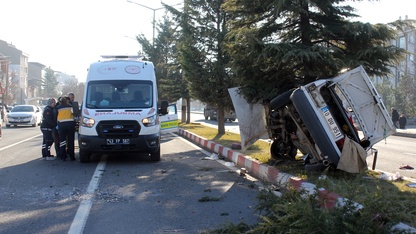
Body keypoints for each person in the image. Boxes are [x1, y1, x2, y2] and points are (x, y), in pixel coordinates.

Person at [56, 96, 76, 161]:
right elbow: (74, 114)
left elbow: (55, 116)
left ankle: (63, 156)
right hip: (70, 124)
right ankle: (72, 156)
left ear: (60, 102)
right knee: (71, 141)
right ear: (66, 101)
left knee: (62, 141)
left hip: (62, 125)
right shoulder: (70, 106)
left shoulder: (58, 108)